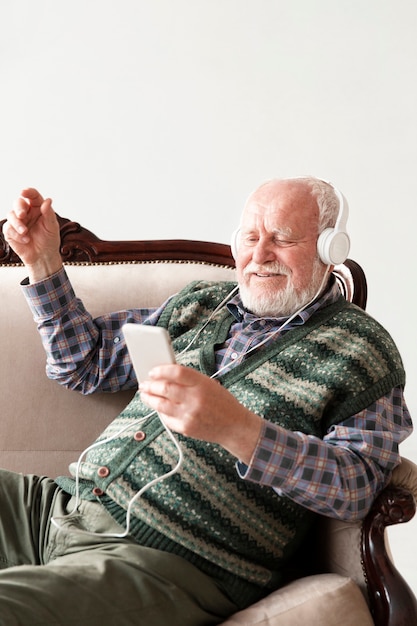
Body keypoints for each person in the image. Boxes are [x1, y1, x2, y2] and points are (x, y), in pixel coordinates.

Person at [1, 176, 412, 626]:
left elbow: (358, 486)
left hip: (163, 562)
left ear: (330, 249)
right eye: (251, 238)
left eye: (283, 239)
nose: (259, 255)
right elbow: (85, 363)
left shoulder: (362, 349)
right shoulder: (205, 303)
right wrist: (43, 263)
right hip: (57, 508)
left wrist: (240, 431)